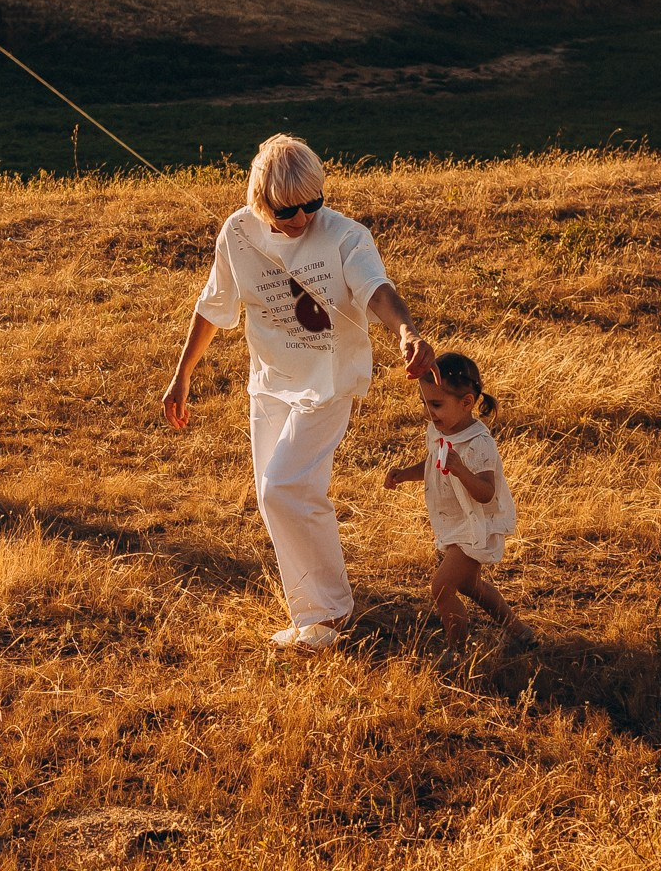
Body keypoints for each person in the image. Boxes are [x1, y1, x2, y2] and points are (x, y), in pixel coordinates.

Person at [160, 134, 431, 650]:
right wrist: (183, 374)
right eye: (289, 210)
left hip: (329, 384)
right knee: (282, 497)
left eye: (314, 203)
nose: (303, 218)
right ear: (259, 201)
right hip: (270, 383)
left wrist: (406, 331)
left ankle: (327, 617)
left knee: (282, 489)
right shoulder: (237, 233)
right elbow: (214, 305)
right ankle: (319, 610)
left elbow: (377, 288)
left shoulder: (344, 235)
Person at [383, 350, 527, 646]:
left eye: (436, 404)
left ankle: (456, 648)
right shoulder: (438, 431)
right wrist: (404, 474)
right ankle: (518, 630)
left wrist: (461, 470)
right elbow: (434, 464)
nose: (428, 412)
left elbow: (487, 493)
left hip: (476, 525)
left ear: (467, 403)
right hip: (456, 521)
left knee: (442, 587)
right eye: (424, 403)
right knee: (471, 586)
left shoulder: (478, 443)